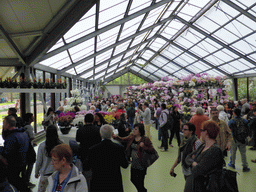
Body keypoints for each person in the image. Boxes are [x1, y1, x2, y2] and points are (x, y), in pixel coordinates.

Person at [85, 124, 128, 192]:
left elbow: (86, 167)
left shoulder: (93, 149)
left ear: (100, 134)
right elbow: (125, 165)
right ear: (112, 134)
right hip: (114, 183)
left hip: (98, 183)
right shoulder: (119, 148)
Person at [114, 123, 155, 192]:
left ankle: (141, 190)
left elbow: (152, 150)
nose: (133, 130)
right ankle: (143, 190)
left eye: (136, 129)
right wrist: (116, 137)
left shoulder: (145, 139)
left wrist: (144, 147)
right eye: (134, 128)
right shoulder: (132, 136)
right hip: (134, 163)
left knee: (140, 181)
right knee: (132, 179)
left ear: (140, 131)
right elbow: (123, 139)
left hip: (142, 164)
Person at [184, 121, 224, 192]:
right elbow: (187, 158)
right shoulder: (203, 146)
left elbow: (197, 171)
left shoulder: (215, 150)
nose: (200, 133)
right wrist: (194, 164)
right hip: (197, 186)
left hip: (206, 187)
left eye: (201, 130)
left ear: (206, 132)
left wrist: (193, 163)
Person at [0, 116, 30, 192]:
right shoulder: (23, 133)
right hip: (23, 161)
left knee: (14, 181)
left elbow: (7, 154)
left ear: (7, 125)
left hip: (14, 165)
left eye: (4, 124)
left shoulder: (11, 137)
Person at [76, 113, 101, 190]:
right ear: (93, 120)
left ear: (84, 120)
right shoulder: (97, 129)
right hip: (95, 153)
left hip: (84, 152)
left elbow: (78, 140)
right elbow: (99, 141)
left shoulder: (80, 130)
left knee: (85, 171)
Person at [35, 125, 63, 192]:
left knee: (41, 190)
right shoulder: (61, 144)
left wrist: (36, 172)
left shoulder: (42, 146)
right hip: (57, 174)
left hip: (45, 174)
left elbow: (39, 161)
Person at [23, 113, 36, 189]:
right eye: (32, 117)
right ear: (29, 119)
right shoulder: (29, 127)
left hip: (25, 147)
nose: (33, 118)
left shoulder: (24, 126)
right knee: (30, 163)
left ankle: (24, 180)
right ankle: (26, 180)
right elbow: (31, 137)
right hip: (29, 148)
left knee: (25, 164)